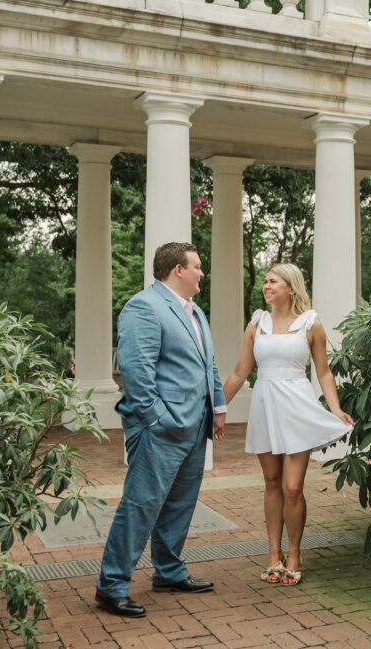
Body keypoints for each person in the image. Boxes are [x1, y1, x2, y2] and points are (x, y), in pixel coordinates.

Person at [95, 242, 227, 618]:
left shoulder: (196, 311)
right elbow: (137, 371)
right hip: (160, 427)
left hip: (195, 424)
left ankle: (168, 571)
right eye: (197, 267)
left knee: (180, 504)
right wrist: (156, 420)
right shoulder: (144, 306)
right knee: (141, 505)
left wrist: (217, 408)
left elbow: (208, 365)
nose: (203, 273)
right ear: (177, 269)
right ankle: (112, 586)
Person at [222, 263, 353, 587]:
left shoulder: (311, 323)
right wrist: (216, 407)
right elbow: (240, 372)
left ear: (290, 288)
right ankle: (272, 554)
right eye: (265, 281)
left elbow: (323, 372)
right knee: (271, 482)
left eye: (272, 282)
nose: (266, 286)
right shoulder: (257, 323)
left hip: (296, 407)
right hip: (265, 407)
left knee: (292, 487)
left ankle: (294, 554)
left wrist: (334, 408)